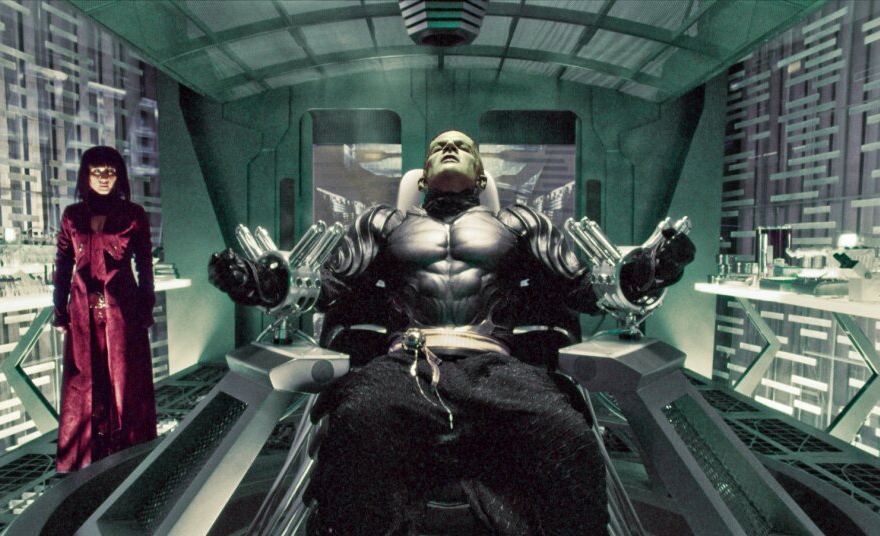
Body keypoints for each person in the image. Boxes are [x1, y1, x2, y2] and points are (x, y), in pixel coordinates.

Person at [209, 130, 694, 534]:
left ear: (481, 176)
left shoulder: (520, 222)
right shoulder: (383, 223)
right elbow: (330, 285)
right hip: (406, 364)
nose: (448, 148)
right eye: (438, 146)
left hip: (496, 366)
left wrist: (642, 276)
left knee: (568, 437)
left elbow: (583, 288)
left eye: (461, 146)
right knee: (356, 423)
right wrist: (265, 285)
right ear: (421, 178)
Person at [52, 145, 157, 472]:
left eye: (109, 172)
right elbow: (63, 262)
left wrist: (146, 306)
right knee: (85, 379)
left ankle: (129, 451)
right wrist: (59, 308)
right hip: (82, 308)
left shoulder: (134, 214)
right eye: (96, 172)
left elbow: (145, 263)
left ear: (119, 176)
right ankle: (84, 456)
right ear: (85, 175)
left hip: (122, 307)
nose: (103, 178)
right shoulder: (72, 215)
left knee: (124, 378)